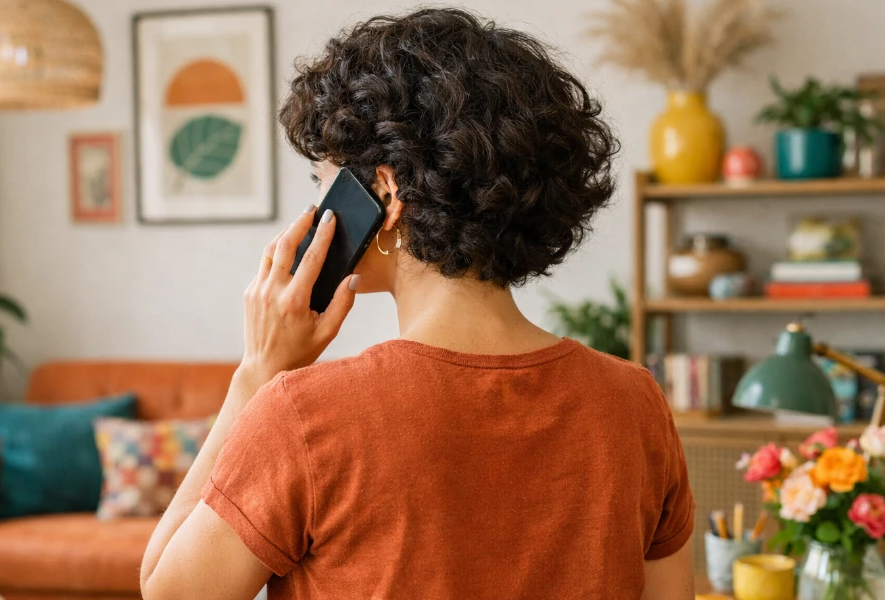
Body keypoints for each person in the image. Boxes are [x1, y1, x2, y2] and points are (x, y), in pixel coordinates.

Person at [140, 8, 694, 600]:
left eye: (324, 182)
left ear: (384, 193)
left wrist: (256, 375)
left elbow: (166, 591)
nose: (319, 207)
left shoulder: (303, 416)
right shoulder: (636, 405)